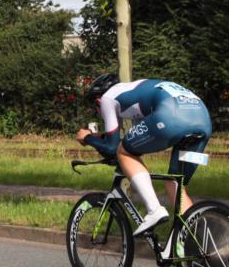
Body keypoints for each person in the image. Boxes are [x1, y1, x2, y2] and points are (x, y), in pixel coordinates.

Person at [76, 73, 212, 242]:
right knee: (174, 184)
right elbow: (133, 138)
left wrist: (87, 138)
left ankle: (154, 209)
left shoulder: (106, 99)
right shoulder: (137, 91)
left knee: (123, 152)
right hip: (202, 120)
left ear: (97, 100)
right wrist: (103, 138)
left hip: (171, 116)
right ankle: (201, 244)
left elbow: (113, 148)